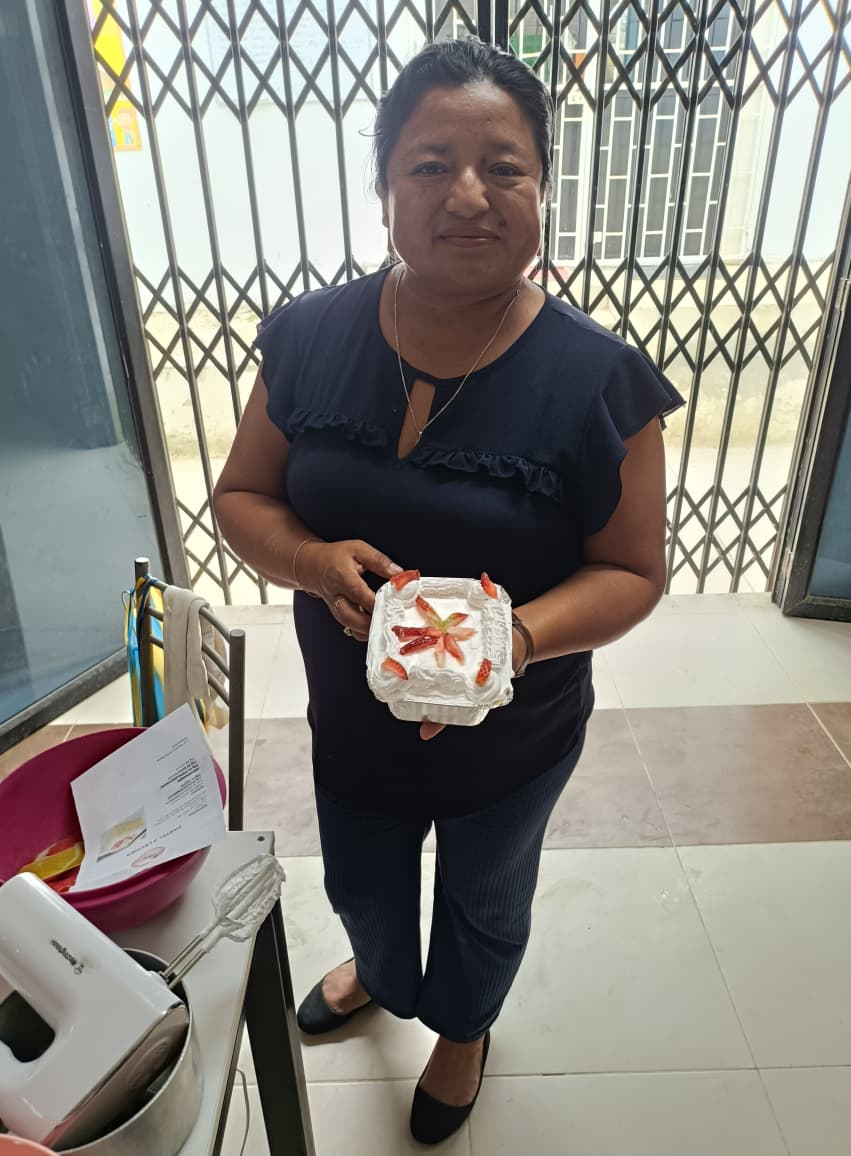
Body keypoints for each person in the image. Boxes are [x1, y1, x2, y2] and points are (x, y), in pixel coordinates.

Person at [214, 37, 683, 1145]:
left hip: (509, 729)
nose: (468, 194)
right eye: (430, 165)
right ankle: (381, 972)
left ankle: (464, 1027)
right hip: (353, 711)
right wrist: (313, 561)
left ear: (542, 190)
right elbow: (243, 495)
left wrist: (511, 639)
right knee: (364, 881)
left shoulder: (599, 380)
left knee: (483, 891)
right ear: (383, 189)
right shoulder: (309, 337)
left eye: (503, 167)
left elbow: (632, 570)